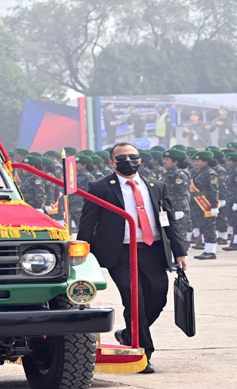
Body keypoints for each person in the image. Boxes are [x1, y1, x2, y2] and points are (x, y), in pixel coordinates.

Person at [77, 142, 186, 374]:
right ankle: (143, 354)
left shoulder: (157, 186)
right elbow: (88, 222)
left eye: (133, 156)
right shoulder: (100, 187)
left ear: (140, 159)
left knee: (157, 299)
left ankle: (127, 335)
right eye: (122, 158)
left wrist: (179, 252)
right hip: (121, 253)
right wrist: (82, 253)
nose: (128, 161)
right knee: (134, 302)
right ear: (112, 162)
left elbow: (169, 221)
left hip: (153, 251)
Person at [190, 151, 220, 260]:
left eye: (198, 161)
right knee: (203, 226)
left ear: (205, 161)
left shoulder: (210, 173)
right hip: (199, 203)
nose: (195, 163)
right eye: (195, 160)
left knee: (209, 227)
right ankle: (206, 249)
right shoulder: (199, 172)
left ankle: (211, 251)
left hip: (206, 203)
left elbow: (213, 190)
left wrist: (214, 206)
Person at [161, 150, 191, 249]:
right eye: (164, 159)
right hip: (167, 207)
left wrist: (179, 210)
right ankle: (172, 259)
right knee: (168, 234)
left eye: (167, 160)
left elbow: (181, 194)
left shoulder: (179, 175)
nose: (164, 161)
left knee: (179, 235)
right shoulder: (165, 174)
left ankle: (182, 260)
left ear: (175, 162)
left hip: (177, 208)